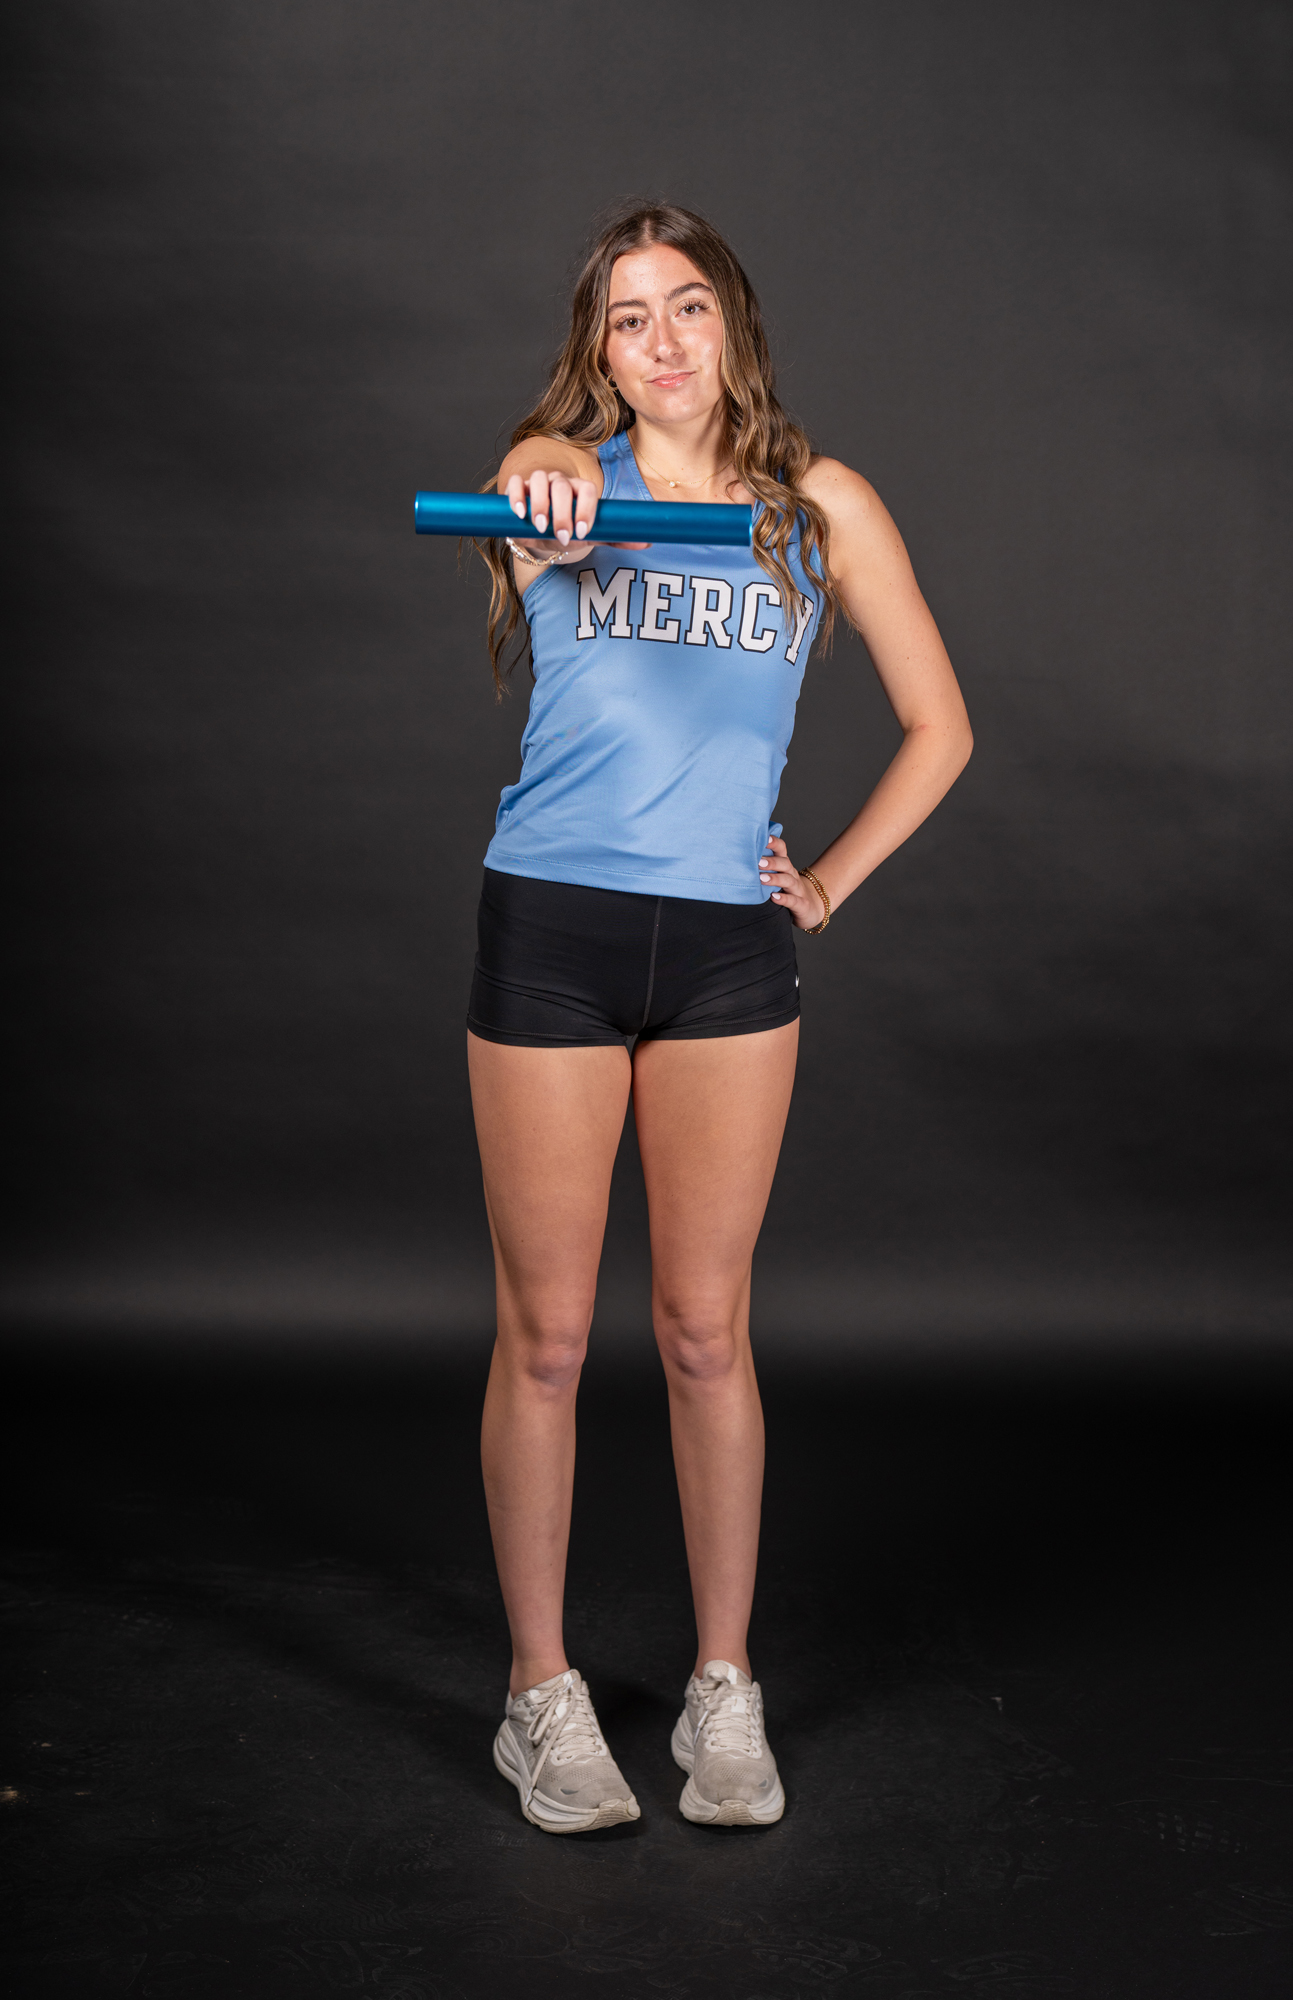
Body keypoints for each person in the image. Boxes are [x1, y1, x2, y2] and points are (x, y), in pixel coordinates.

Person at [466, 202, 972, 1834]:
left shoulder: (818, 509)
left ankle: (721, 1688)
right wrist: (540, 455)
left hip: (725, 958)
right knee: (548, 1338)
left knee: (702, 1330)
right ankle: (539, 1696)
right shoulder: (558, 489)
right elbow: (533, 468)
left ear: (734, 320)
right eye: (627, 320)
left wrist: (821, 881)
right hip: (552, 934)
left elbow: (940, 725)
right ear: (600, 353)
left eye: (686, 305)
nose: (663, 340)